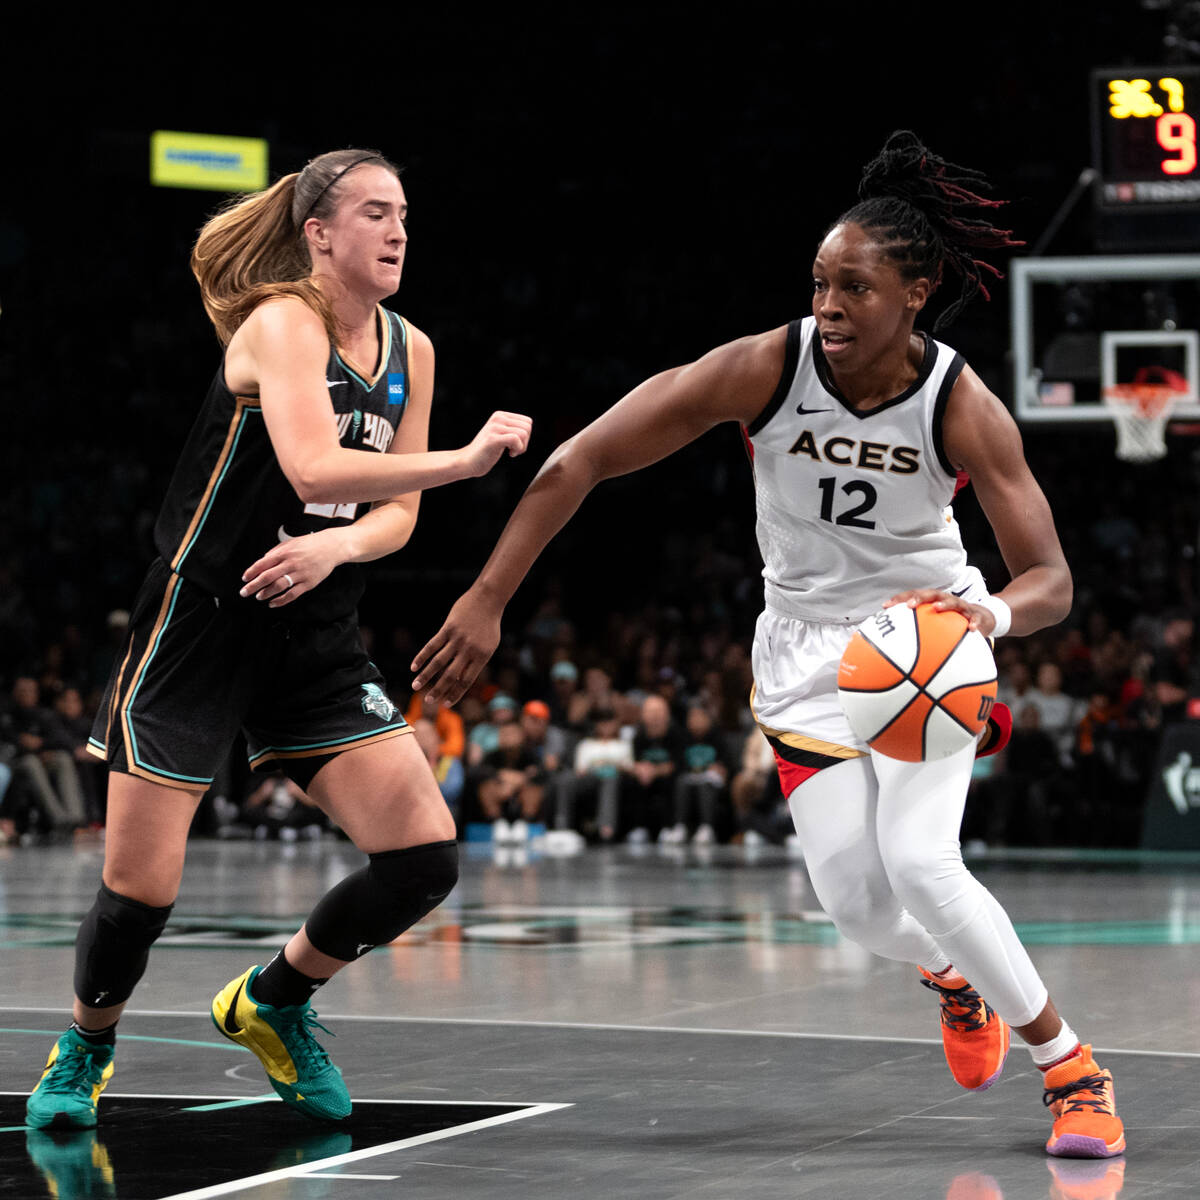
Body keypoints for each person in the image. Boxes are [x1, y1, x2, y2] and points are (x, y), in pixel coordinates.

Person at [411, 131, 1124, 1159]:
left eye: (856, 289)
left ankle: (1072, 1069)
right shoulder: (765, 368)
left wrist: (995, 618)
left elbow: (1051, 579)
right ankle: (956, 977)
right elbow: (579, 463)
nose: (829, 307)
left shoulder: (962, 405)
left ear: (917, 292)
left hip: (929, 644)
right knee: (861, 910)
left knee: (922, 865)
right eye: (820, 285)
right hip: (802, 658)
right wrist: (487, 597)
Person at [26, 148, 532, 1129]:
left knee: (424, 856)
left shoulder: (411, 350)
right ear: (320, 234)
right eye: (376, 214)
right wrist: (466, 460)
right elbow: (307, 464)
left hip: (313, 634)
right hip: (201, 624)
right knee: (140, 891)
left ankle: (274, 1000)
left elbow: (394, 522)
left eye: (405, 216)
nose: (397, 232)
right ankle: (85, 1047)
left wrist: (337, 551)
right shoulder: (282, 324)